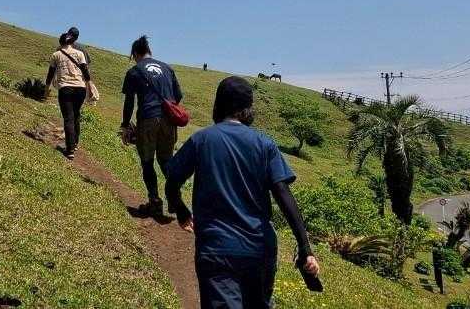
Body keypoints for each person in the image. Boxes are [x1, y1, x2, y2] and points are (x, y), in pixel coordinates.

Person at [164, 76, 320, 309]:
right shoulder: (265, 144)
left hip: (217, 250)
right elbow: (284, 195)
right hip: (260, 251)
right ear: (248, 109)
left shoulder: (201, 139)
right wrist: (305, 248)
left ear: (218, 105)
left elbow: (172, 180)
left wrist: (181, 210)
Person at [120, 35, 183, 216]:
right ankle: (175, 198)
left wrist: (125, 125)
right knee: (166, 160)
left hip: (148, 119)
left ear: (135, 54)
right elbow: (178, 96)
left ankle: (154, 201)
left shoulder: (134, 71)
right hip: (168, 121)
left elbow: (129, 102)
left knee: (147, 161)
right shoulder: (167, 69)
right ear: (149, 51)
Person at [45, 31, 93, 159]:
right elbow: (86, 72)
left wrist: (46, 88)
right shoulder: (80, 53)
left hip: (66, 88)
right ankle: (75, 143)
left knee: (68, 118)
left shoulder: (56, 54)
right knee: (76, 115)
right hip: (80, 89)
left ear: (61, 42)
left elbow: (50, 73)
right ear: (72, 42)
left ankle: (70, 149)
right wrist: (89, 88)